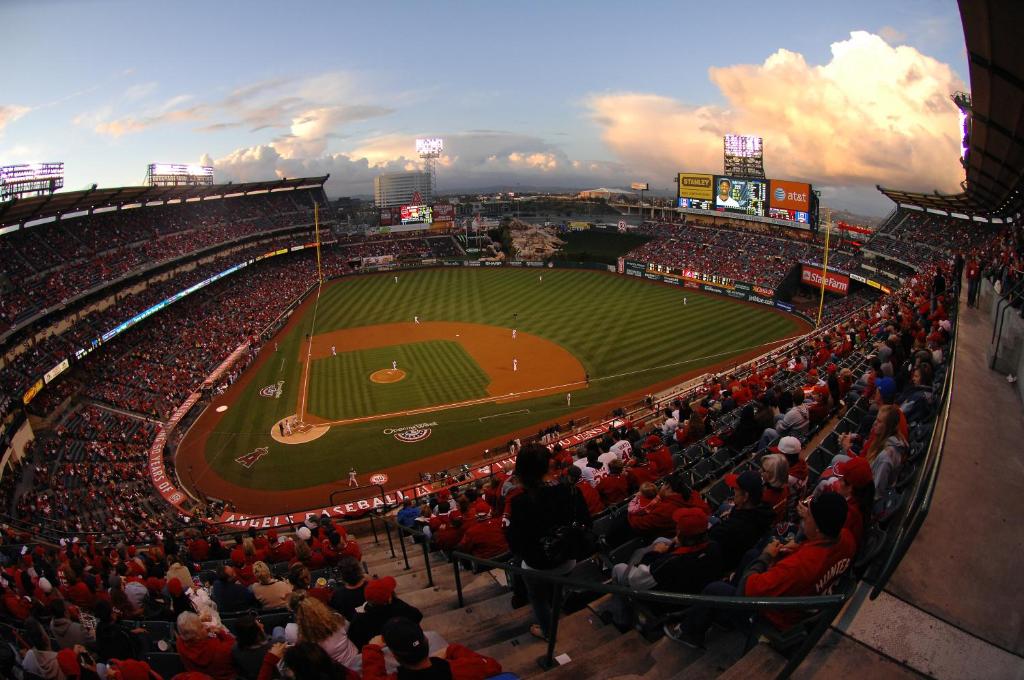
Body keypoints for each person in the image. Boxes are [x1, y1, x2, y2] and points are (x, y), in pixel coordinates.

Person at [668, 491, 855, 647]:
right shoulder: (846, 538)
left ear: (820, 529)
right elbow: (822, 553)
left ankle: (688, 634)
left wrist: (766, 557)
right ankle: (722, 614)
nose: (804, 515)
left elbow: (747, 590)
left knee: (715, 589)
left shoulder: (800, 566)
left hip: (775, 618)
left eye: (809, 515)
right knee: (751, 555)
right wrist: (798, 547)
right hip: (805, 598)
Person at [506, 443, 592, 641]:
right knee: (557, 588)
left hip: (537, 566)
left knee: (538, 599)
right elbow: (587, 523)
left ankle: (548, 631)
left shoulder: (520, 503)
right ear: (548, 466)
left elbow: (516, 545)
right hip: (568, 559)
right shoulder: (571, 491)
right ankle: (559, 600)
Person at [361, 617, 502, 680]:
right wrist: (451, 649)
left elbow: (370, 676)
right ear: (427, 640)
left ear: (394, 655)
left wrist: (372, 649)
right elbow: (494, 666)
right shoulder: (462, 668)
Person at [708, 470, 775, 572]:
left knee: (708, 519)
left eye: (735, 489)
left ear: (746, 497)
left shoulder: (730, 529)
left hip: (726, 562)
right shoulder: (765, 511)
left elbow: (712, 536)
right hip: (741, 547)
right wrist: (735, 510)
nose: (733, 492)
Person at [347, 577, 424, 650]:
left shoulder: (358, 619)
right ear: (389, 599)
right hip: (404, 647)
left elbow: (353, 638)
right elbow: (417, 616)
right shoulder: (399, 607)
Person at [293, 594, 360, 671]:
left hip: (341, 670)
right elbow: (348, 628)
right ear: (321, 608)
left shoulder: (304, 641)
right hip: (354, 661)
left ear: (299, 619)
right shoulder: (337, 619)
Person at [175, 610, 237, 680]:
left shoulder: (179, 643)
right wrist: (220, 632)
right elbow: (235, 644)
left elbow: (185, 631)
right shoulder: (221, 649)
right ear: (197, 636)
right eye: (201, 626)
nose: (205, 625)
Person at [231, 611, 274, 680]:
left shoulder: (235, 649)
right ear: (256, 634)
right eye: (259, 625)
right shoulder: (274, 647)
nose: (262, 625)